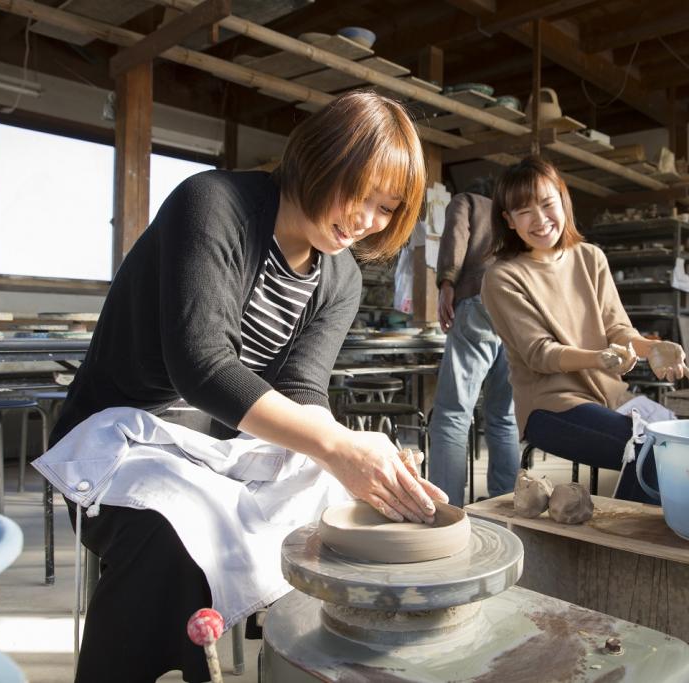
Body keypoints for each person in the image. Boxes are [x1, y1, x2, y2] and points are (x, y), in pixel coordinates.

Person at [38, 91, 447, 683]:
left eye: (385, 209)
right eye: (358, 193)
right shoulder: (213, 205)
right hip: (117, 434)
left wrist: (367, 459)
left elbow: (304, 391)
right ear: (318, 158)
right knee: (171, 536)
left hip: (219, 449)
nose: (364, 220)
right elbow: (201, 365)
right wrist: (338, 446)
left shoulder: (341, 277)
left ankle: (289, 663)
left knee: (335, 512)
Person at [481, 156, 689, 502]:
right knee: (649, 453)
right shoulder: (502, 277)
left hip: (611, 400)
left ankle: (658, 539)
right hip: (550, 407)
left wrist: (649, 347)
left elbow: (617, 328)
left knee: (682, 443)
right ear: (508, 220)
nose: (540, 219)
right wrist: (599, 359)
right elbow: (540, 354)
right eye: (524, 211)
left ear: (563, 201)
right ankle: (627, 549)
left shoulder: (590, 257)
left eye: (548, 204)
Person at [427, 178, 520, 507]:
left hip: (478, 298)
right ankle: (506, 507)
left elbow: (456, 236)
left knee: (453, 413)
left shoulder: (465, 201)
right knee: (504, 416)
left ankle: (446, 509)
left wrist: (447, 283)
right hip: (516, 307)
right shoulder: (514, 213)